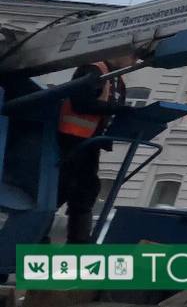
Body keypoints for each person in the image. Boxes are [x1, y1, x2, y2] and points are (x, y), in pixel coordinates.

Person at [56, 54, 134, 243]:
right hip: (71, 140)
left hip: (91, 143)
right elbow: (81, 103)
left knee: (85, 191)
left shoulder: (118, 80)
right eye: (134, 56)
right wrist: (116, 110)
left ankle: (78, 244)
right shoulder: (93, 70)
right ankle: (41, 237)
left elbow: (109, 110)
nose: (135, 62)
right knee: (63, 189)